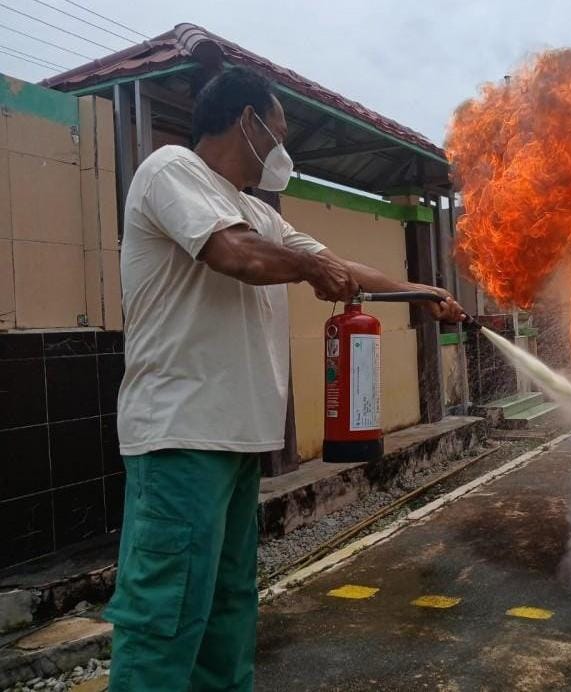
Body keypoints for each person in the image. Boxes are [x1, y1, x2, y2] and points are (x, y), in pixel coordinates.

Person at [104, 66, 465, 691]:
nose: (281, 149)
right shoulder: (171, 171)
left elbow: (338, 265)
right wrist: (304, 268)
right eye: (277, 131)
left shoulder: (253, 209)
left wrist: (419, 291)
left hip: (239, 440)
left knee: (227, 610)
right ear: (246, 122)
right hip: (181, 435)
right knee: (165, 616)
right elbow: (234, 256)